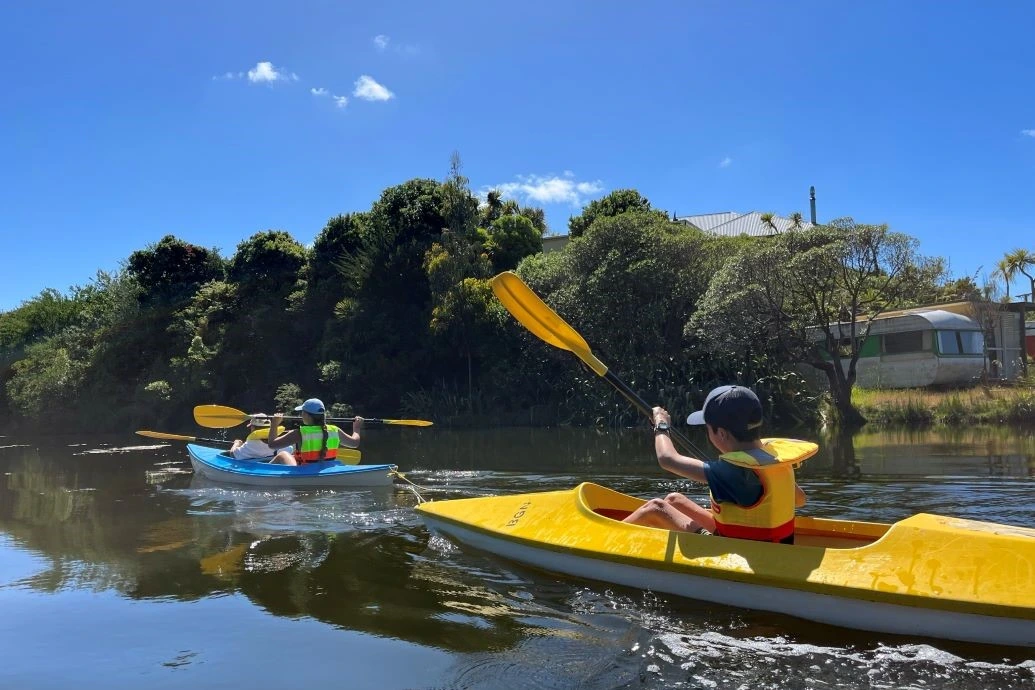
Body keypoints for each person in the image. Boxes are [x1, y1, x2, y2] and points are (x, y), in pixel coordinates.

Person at [622, 385, 816, 544]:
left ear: (722, 434)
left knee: (655, 507)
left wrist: (661, 425)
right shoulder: (772, 458)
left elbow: (667, 459)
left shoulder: (734, 471)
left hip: (746, 552)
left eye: (708, 429)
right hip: (766, 544)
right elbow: (800, 500)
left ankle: (603, 540)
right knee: (674, 500)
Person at [265, 398, 363, 466]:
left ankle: (264, 473)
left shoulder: (299, 433)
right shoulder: (335, 430)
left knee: (283, 454)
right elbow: (354, 443)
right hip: (328, 468)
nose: (301, 414)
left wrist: (274, 424)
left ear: (307, 416)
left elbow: (272, 444)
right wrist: (357, 428)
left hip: (305, 472)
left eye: (302, 412)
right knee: (294, 455)